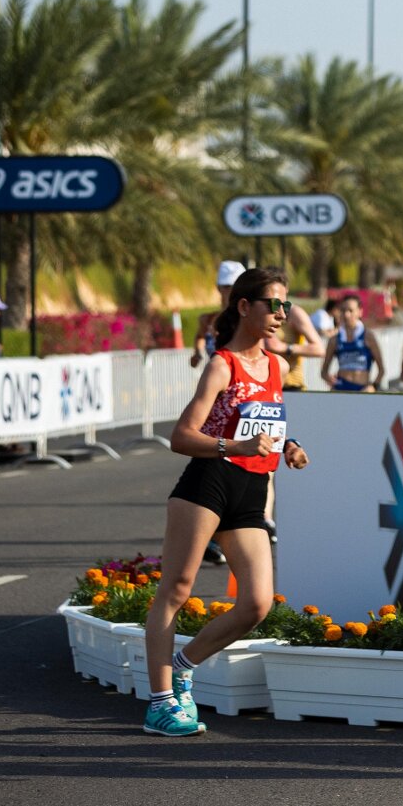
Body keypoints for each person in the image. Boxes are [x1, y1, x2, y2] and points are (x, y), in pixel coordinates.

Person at [143, 267, 310, 736]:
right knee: (176, 589)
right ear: (244, 307)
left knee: (256, 603)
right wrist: (231, 447)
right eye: (273, 304)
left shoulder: (276, 365)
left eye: (286, 305)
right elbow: (181, 435)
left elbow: (265, 425)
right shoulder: (223, 364)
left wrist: (289, 445)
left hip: (252, 490)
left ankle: (182, 665)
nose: (282, 314)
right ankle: (159, 703)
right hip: (209, 482)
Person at [188, 262, 246, 368]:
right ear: (219, 288)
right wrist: (198, 354)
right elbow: (200, 336)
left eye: (237, 286)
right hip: (217, 379)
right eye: (227, 286)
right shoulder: (207, 320)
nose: (232, 291)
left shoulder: (248, 320)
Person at [321, 295, 383, 392]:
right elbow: (324, 371)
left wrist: (373, 386)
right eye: (343, 310)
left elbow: (382, 370)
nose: (346, 315)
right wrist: (329, 379)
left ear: (360, 312)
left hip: (363, 390)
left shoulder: (368, 336)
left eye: (350, 310)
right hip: (341, 388)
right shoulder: (334, 340)